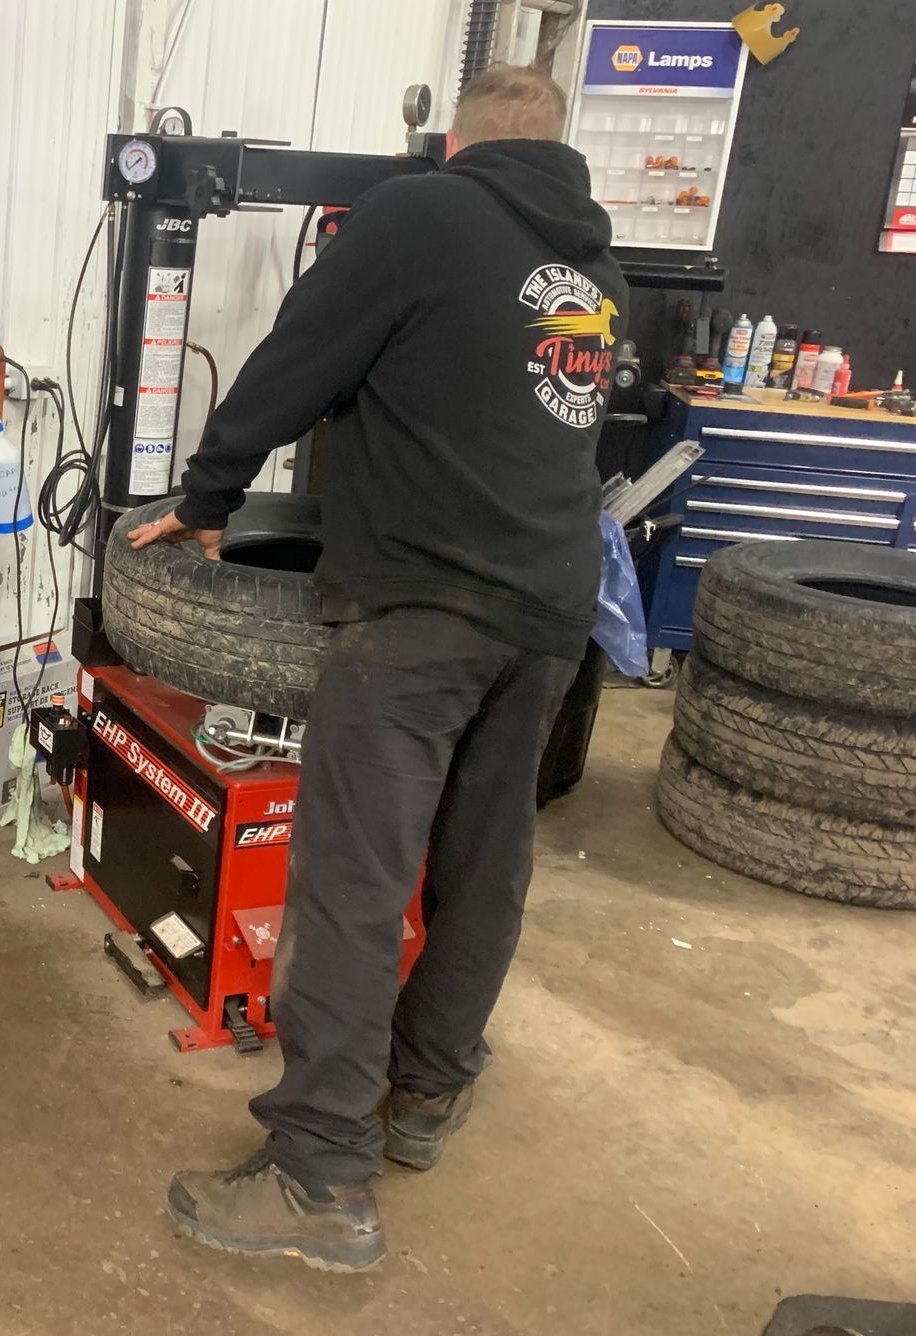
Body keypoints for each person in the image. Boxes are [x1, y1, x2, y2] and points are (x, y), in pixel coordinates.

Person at [128, 65, 627, 1272]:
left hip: (421, 612)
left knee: (354, 882)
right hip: (549, 617)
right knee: (485, 865)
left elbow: (300, 357)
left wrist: (210, 493)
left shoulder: (420, 212)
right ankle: (428, 1091)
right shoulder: (598, 273)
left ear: (452, 141)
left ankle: (319, 1175)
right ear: (556, 147)